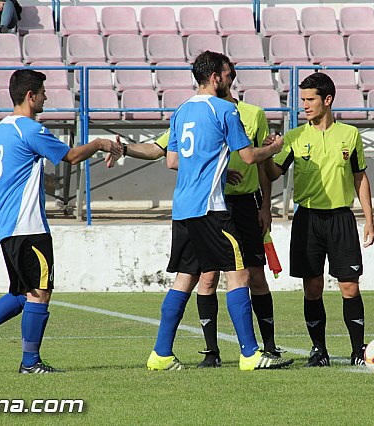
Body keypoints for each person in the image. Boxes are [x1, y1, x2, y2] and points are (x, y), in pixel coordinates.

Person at [107, 63, 282, 368]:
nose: (231, 81)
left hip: (183, 209)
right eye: (228, 76)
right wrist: (275, 147)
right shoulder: (226, 110)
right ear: (215, 78)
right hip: (211, 210)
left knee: (185, 278)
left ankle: (161, 354)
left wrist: (214, 170)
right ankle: (250, 354)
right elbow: (250, 156)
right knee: (239, 273)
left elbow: (172, 160)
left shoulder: (182, 111)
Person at [0, 69, 122, 374]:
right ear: (31, 96)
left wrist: (4, 209)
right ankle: (30, 363)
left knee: (22, 293)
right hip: (28, 227)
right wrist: (99, 143)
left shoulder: (1, 129)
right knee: (40, 292)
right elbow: (71, 157)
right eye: (43, 93)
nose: (46, 97)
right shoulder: (30, 129)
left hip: (7, 226)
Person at [263, 72, 374, 367]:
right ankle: (319, 350)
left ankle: (357, 350)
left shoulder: (350, 135)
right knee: (312, 289)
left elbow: (360, 176)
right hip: (307, 221)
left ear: (327, 100)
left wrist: (369, 218)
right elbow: (274, 174)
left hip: (341, 219)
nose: (305, 105)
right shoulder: (295, 137)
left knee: (349, 287)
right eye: (302, 100)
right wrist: (267, 153)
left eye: (310, 99)